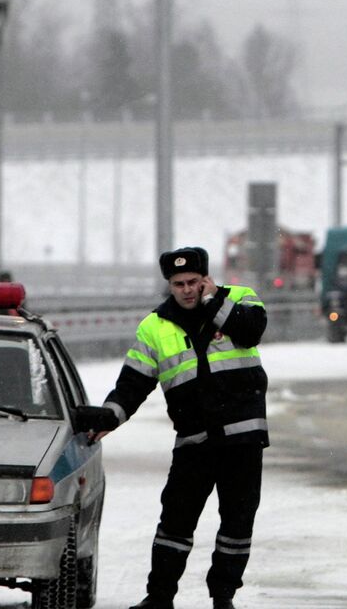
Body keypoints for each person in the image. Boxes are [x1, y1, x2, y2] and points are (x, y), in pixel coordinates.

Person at [95, 247, 270, 609]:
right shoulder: (155, 326)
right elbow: (133, 383)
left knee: (237, 524)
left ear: (206, 278)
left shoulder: (238, 299)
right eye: (179, 284)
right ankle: (159, 598)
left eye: (193, 282)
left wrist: (212, 303)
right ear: (169, 285)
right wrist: (110, 416)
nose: (187, 290)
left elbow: (251, 331)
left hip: (243, 439)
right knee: (174, 522)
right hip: (195, 442)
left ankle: (223, 596)